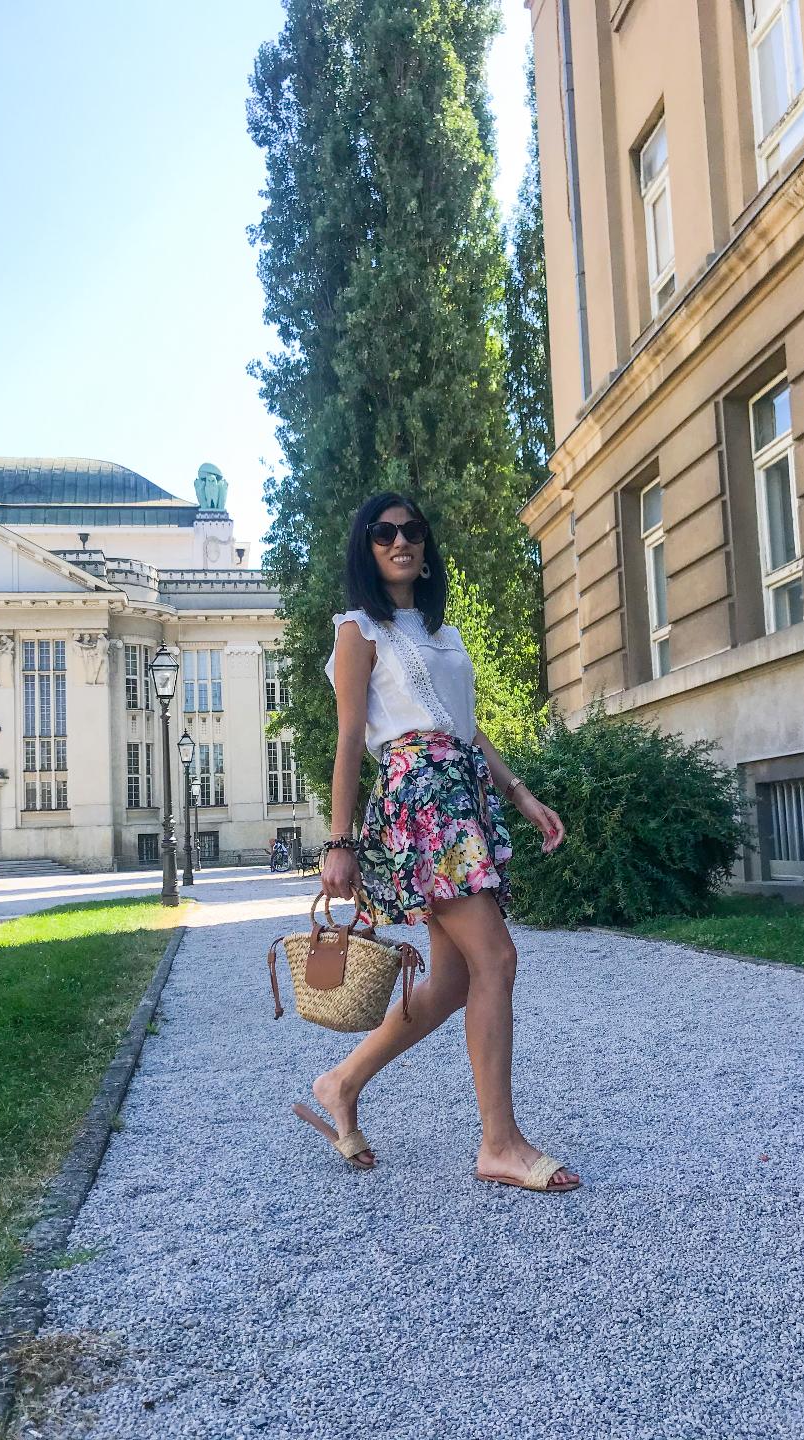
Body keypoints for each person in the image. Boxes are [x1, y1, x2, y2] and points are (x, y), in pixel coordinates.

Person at [295, 492, 580, 1193]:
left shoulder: (441, 632)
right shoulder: (358, 630)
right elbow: (350, 738)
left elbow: (466, 727)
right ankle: (499, 1143)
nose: (401, 541)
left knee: (453, 980)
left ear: (425, 547)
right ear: (367, 548)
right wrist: (339, 841)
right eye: (384, 532)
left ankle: (341, 1083)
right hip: (419, 801)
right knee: (497, 958)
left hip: (463, 791)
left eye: (412, 531)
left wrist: (520, 794)